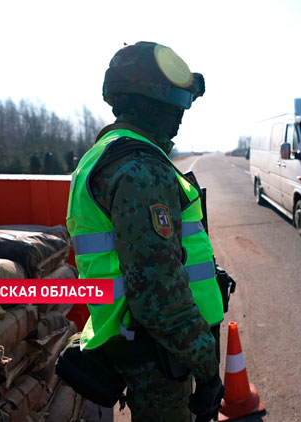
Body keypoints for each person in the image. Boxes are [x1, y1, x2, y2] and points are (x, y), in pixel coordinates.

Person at [66, 42, 224, 421]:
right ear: (146, 102)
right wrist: (206, 367)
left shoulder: (105, 154)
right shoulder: (140, 170)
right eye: (175, 102)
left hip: (143, 342)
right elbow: (158, 295)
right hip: (160, 353)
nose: (180, 115)